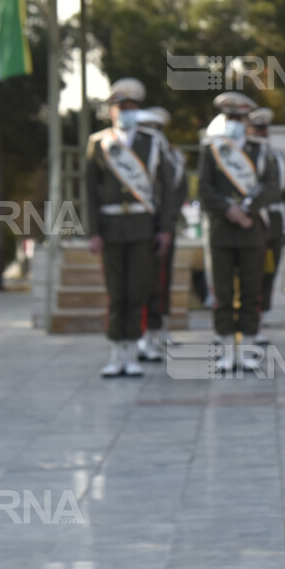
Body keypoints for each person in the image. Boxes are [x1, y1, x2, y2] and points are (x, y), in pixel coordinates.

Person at [85, 78, 175, 378]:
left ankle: (132, 353)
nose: (125, 112)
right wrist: (93, 231)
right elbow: (90, 191)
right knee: (116, 292)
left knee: (137, 290)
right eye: (120, 107)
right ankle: (115, 354)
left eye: (131, 107)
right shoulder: (99, 143)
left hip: (142, 225)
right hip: (111, 227)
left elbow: (167, 189)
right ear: (111, 111)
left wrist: (164, 228)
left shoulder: (153, 141)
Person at [198, 92, 276, 372]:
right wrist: (229, 210)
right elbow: (204, 188)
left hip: (251, 231)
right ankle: (227, 351)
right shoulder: (212, 149)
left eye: (239, 118)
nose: (234, 122)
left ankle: (248, 350)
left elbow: (271, 187)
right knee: (223, 292)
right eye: (229, 117)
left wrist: (248, 211)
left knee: (251, 291)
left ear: (247, 121)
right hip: (222, 231)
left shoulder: (261, 150)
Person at [135, 106, 187, 362]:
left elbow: (178, 190)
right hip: (142, 225)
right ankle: (144, 334)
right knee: (144, 282)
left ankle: (159, 328)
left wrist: (169, 219)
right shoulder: (135, 156)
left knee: (162, 280)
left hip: (165, 225)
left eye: (157, 129)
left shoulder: (173, 157)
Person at [246, 107, 285, 345]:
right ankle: (245, 325)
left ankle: (260, 324)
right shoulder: (245, 157)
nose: (262, 132)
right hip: (253, 221)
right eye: (258, 128)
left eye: (265, 129)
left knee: (268, 275)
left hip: (275, 224)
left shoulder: (277, 157)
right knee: (251, 275)